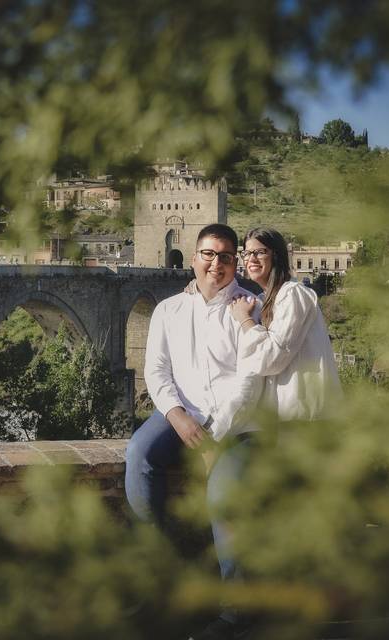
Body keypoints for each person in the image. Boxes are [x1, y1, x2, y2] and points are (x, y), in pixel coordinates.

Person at [125, 223, 262, 640]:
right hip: (180, 413)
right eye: (208, 253)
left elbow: (251, 380)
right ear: (194, 256)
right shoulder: (169, 309)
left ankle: (237, 614)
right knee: (139, 456)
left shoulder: (251, 307)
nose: (215, 263)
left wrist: (214, 437)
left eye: (224, 255)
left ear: (235, 260)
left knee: (223, 495)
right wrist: (177, 415)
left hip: (238, 423)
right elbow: (156, 371)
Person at [227, 227, 342, 423]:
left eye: (260, 252)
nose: (251, 259)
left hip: (306, 417)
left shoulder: (293, 295)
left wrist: (245, 320)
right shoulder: (266, 299)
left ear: (277, 256)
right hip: (285, 417)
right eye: (246, 253)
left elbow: (272, 357)